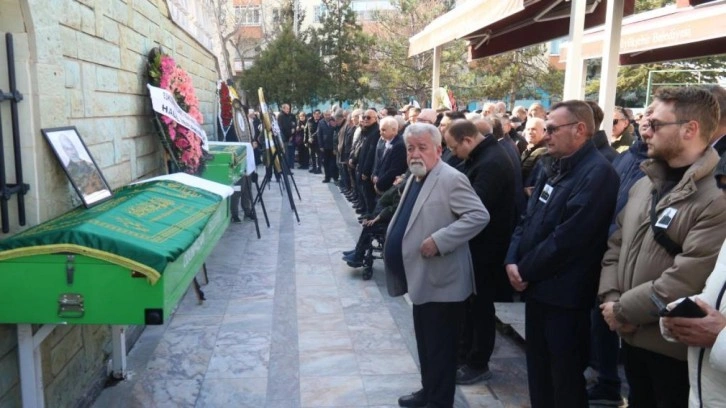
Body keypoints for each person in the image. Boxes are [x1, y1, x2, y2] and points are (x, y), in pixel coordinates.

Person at [599, 87, 726, 407]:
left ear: (689, 129)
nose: (645, 131)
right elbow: (615, 245)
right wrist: (611, 300)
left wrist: (622, 310)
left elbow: (690, 274)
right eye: (645, 122)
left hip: (673, 351)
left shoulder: (717, 196)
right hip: (631, 337)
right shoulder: (645, 184)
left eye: (655, 124)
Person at [505, 100, 619, 408]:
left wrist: (524, 269)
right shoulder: (551, 165)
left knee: (564, 380)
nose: (546, 136)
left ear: (579, 130)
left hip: (566, 297)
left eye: (553, 129)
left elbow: (569, 239)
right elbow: (527, 218)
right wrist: (512, 259)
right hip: (536, 289)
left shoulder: (598, 173)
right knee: (539, 373)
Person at [385, 123, 489, 408]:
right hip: (422, 279)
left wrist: (440, 240)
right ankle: (428, 390)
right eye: (410, 148)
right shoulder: (417, 175)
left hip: (443, 282)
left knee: (441, 349)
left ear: (438, 150)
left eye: (422, 148)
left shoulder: (451, 178)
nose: (415, 154)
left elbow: (478, 216)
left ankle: (439, 401)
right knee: (426, 344)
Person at [587, 105, 652, 406]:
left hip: (639, 267)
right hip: (611, 252)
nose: (647, 125)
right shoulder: (629, 156)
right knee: (603, 320)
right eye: (646, 119)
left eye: (656, 122)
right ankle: (607, 381)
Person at [443, 119, 516, 385]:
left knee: (481, 307)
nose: (453, 154)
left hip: (487, 249)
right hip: (477, 246)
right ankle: (464, 355)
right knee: (470, 306)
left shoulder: (492, 162)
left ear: (468, 140)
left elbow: (474, 207)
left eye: (454, 148)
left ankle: (477, 362)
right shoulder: (481, 156)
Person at [277, 103, 296, 169]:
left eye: (289, 108)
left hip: (287, 137)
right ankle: (285, 169)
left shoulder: (287, 116)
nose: (288, 110)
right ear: (283, 109)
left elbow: (291, 124)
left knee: (288, 153)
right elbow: (284, 128)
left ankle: (287, 168)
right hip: (284, 137)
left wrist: (292, 130)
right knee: (285, 154)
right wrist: (289, 134)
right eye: (287, 108)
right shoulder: (281, 116)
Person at [306, 110, 322, 174]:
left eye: (318, 114)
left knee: (319, 156)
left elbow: (318, 131)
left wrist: (312, 137)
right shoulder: (309, 121)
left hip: (318, 141)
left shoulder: (321, 121)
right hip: (311, 141)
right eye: (315, 114)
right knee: (312, 155)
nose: (317, 115)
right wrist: (306, 140)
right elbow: (307, 130)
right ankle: (314, 168)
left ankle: (319, 169)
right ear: (313, 114)